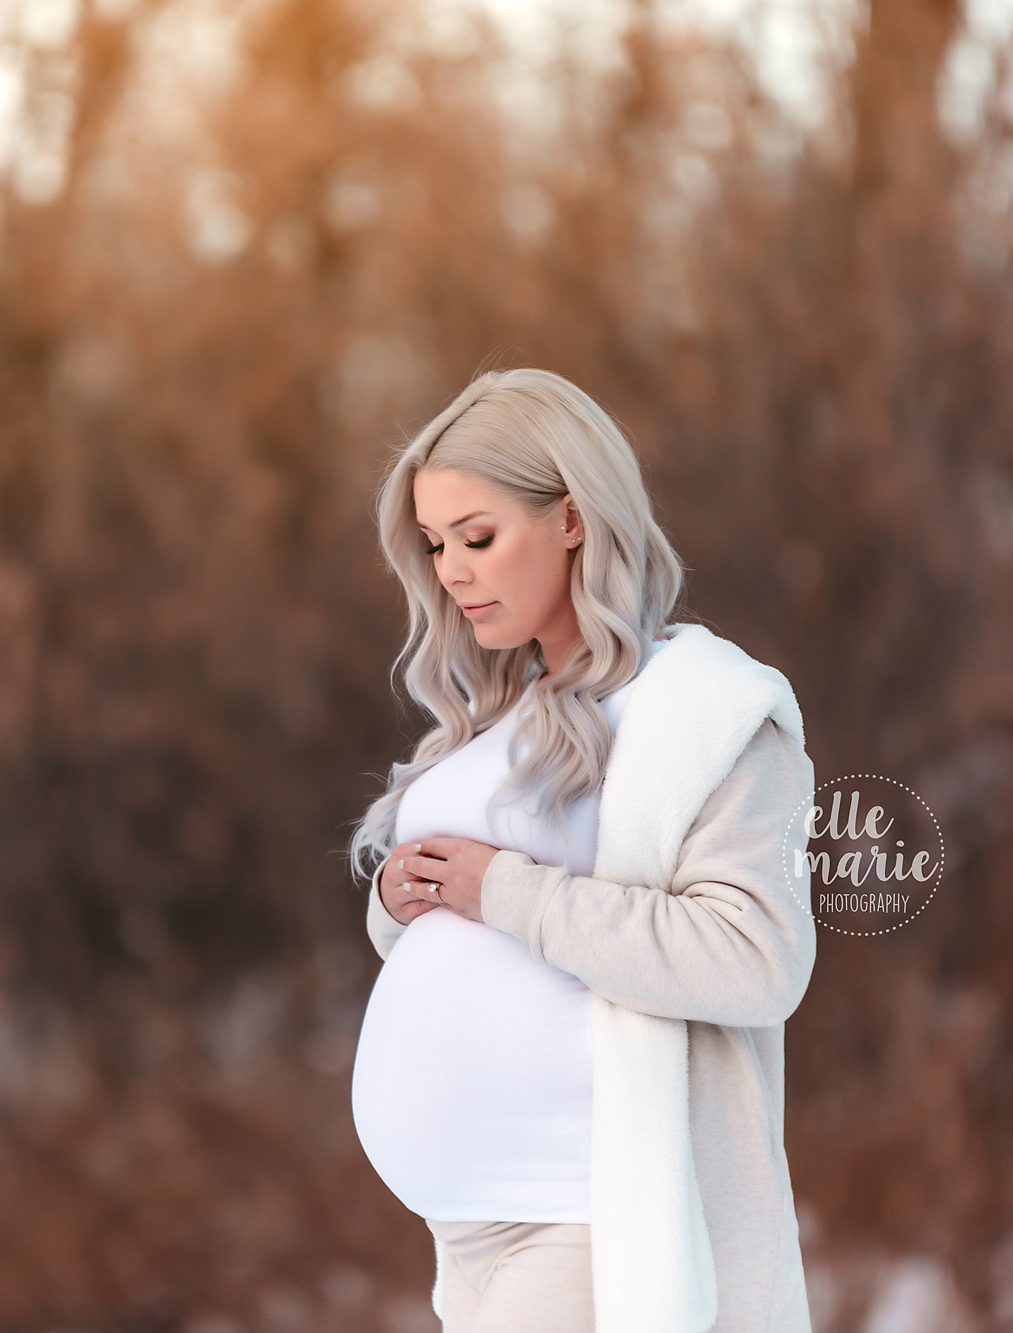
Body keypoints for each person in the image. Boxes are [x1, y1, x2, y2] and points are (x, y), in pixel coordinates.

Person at [345, 367, 818, 1332]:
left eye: (479, 537)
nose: (452, 571)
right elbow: (459, 918)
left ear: (571, 518)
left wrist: (504, 890)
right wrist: (399, 897)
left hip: (589, 1216)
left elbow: (757, 958)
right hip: (469, 1234)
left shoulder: (702, 709)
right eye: (436, 545)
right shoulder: (496, 711)